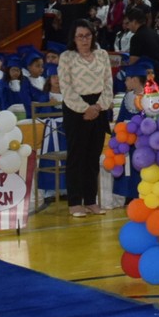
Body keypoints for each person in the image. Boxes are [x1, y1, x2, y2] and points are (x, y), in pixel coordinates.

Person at [57, 20, 112, 217]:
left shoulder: (102, 55)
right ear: (73, 38)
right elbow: (66, 88)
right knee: (76, 156)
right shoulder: (66, 57)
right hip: (75, 109)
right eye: (80, 36)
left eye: (87, 35)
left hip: (98, 107)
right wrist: (85, 109)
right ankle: (74, 202)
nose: (84, 40)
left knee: (92, 156)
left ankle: (91, 200)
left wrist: (98, 106)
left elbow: (108, 83)